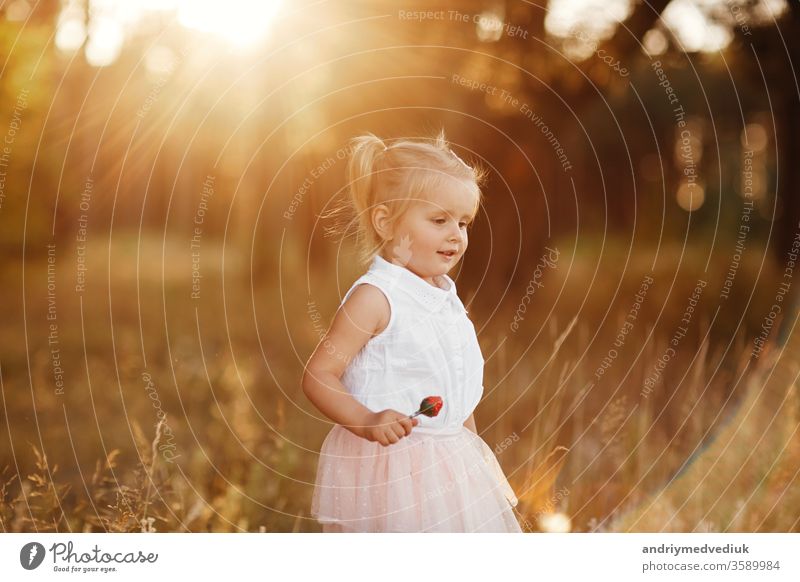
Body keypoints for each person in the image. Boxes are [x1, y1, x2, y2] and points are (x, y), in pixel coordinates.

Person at [303, 131, 522, 532]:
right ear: (386, 222)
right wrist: (365, 419)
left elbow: (455, 390)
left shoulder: (444, 297)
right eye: (439, 220)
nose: (456, 234)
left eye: (463, 222)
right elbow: (319, 375)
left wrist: (473, 460)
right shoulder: (376, 298)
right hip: (392, 474)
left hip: (451, 466)